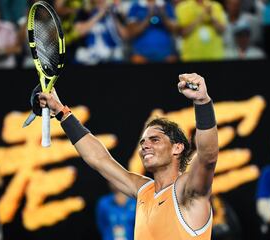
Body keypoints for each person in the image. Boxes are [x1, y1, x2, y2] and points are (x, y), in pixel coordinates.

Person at [37, 73, 218, 239]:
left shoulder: (186, 190)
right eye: (143, 142)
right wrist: (61, 111)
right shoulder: (144, 191)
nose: (145, 145)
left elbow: (207, 157)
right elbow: (99, 160)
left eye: (154, 140)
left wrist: (202, 102)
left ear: (177, 148)